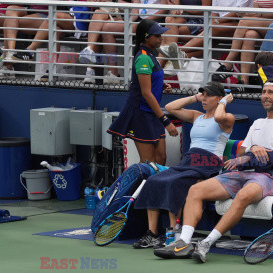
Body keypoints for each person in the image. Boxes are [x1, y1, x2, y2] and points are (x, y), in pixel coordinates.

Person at [154, 80, 273, 262]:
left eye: (271, 92)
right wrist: (253, 149)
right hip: (244, 173)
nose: (265, 96)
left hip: (270, 177)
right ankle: (183, 242)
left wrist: (263, 152)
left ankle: (206, 243)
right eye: (263, 92)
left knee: (242, 196)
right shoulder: (258, 122)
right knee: (194, 190)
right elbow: (241, 152)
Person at [132, 82, 235, 248]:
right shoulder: (196, 116)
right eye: (203, 94)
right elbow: (170, 107)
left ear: (218, 98)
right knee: (154, 180)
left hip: (208, 164)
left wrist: (223, 102)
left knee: (175, 183)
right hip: (189, 160)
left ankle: (172, 233)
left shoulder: (227, 118)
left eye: (208, 95)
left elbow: (218, 117)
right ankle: (152, 233)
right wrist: (195, 97)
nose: (204, 98)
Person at [107, 19, 178, 165]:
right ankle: (143, 188)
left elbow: (149, 79)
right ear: (146, 38)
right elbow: (146, 93)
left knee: (161, 159)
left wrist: (161, 85)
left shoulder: (151, 54)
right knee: (148, 163)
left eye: (160, 35)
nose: (161, 39)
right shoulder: (144, 58)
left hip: (152, 113)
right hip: (141, 113)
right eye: (157, 36)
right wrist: (166, 121)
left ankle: (154, 187)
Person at [210, 0, 273, 90]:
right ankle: (244, 81)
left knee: (243, 22)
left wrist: (258, 14)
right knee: (249, 35)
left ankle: (228, 62)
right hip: (262, 21)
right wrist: (253, 14)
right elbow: (256, 10)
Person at [165, 0, 253, 69]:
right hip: (220, 25)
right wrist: (214, 21)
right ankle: (182, 56)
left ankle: (179, 51)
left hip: (240, 24)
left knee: (212, 29)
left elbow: (238, 13)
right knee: (212, 38)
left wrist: (216, 21)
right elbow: (214, 12)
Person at [0, 4, 48, 79]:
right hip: (30, 10)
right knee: (11, 10)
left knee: (8, 22)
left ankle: (8, 67)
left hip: (47, 13)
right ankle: (11, 52)